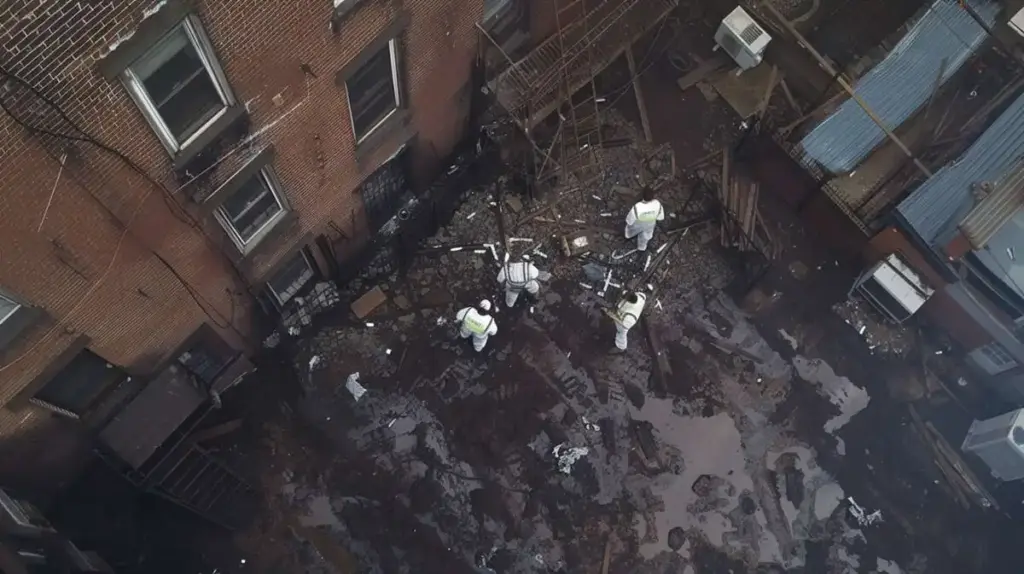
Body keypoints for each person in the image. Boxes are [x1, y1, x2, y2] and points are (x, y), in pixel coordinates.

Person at [624, 186, 665, 251]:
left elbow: (629, 221)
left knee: (629, 232)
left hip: (637, 225)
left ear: (643, 196)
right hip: (649, 225)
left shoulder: (638, 207)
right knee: (645, 238)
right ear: (653, 196)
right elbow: (660, 217)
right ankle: (641, 249)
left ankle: (627, 237)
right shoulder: (657, 204)